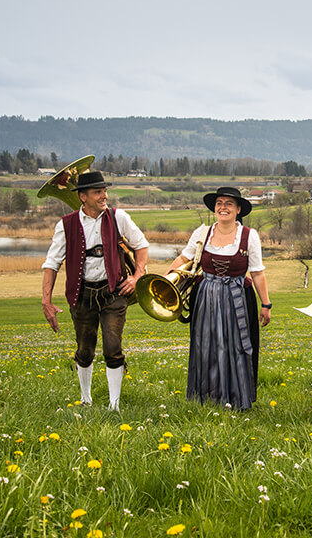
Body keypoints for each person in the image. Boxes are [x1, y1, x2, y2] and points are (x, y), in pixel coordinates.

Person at [41, 170, 150, 411]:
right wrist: (46, 301)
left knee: (113, 347)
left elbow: (142, 246)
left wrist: (137, 276)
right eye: (98, 192)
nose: (104, 196)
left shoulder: (118, 217)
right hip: (82, 296)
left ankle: (115, 405)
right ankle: (86, 399)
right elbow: (52, 263)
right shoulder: (66, 224)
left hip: (113, 293)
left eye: (104, 191)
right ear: (82, 196)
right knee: (85, 349)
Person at [165, 187, 271, 410]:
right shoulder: (202, 233)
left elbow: (258, 272)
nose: (223, 207)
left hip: (237, 297)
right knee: (206, 345)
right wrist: (165, 282)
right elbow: (184, 257)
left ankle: (236, 397)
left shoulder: (249, 235)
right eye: (219, 203)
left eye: (229, 204)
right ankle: (206, 397)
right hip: (206, 295)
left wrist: (266, 304)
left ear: (238, 209)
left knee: (236, 346)